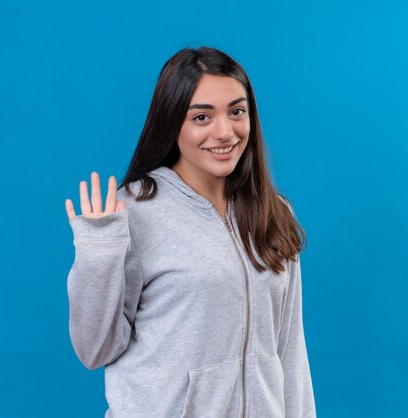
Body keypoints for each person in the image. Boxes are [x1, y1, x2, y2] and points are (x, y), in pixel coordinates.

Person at [64, 46, 316, 418]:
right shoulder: (131, 213)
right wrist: (99, 252)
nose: (224, 131)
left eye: (237, 111)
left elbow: (290, 350)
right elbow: (95, 349)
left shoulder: (273, 212)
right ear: (172, 122)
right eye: (201, 116)